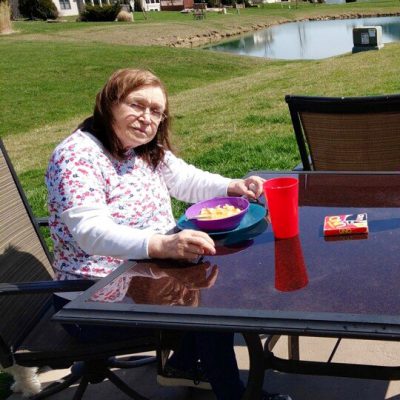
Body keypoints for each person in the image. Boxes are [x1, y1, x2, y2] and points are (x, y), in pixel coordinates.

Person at [46, 68, 292, 400]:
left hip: (146, 273)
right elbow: (91, 233)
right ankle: (234, 394)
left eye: (156, 112)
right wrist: (164, 244)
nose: (147, 118)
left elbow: (184, 179)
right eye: (137, 105)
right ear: (109, 104)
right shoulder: (77, 156)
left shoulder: (142, 147)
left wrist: (232, 186)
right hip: (94, 298)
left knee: (219, 281)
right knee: (213, 310)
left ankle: (185, 365)